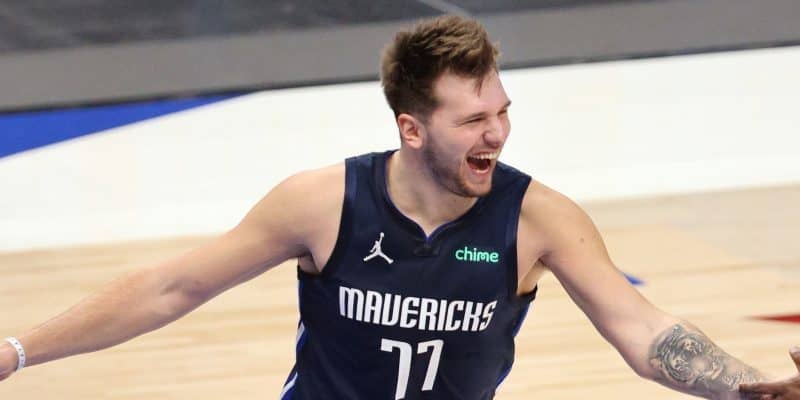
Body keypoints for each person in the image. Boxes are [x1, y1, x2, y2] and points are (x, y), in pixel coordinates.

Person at [1, 14, 798, 400]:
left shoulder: (538, 218)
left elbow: (645, 331)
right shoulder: (322, 202)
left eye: (503, 112)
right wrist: (16, 351)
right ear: (412, 129)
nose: (498, 134)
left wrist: (750, 388)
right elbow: (171, 288)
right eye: (474, 120)